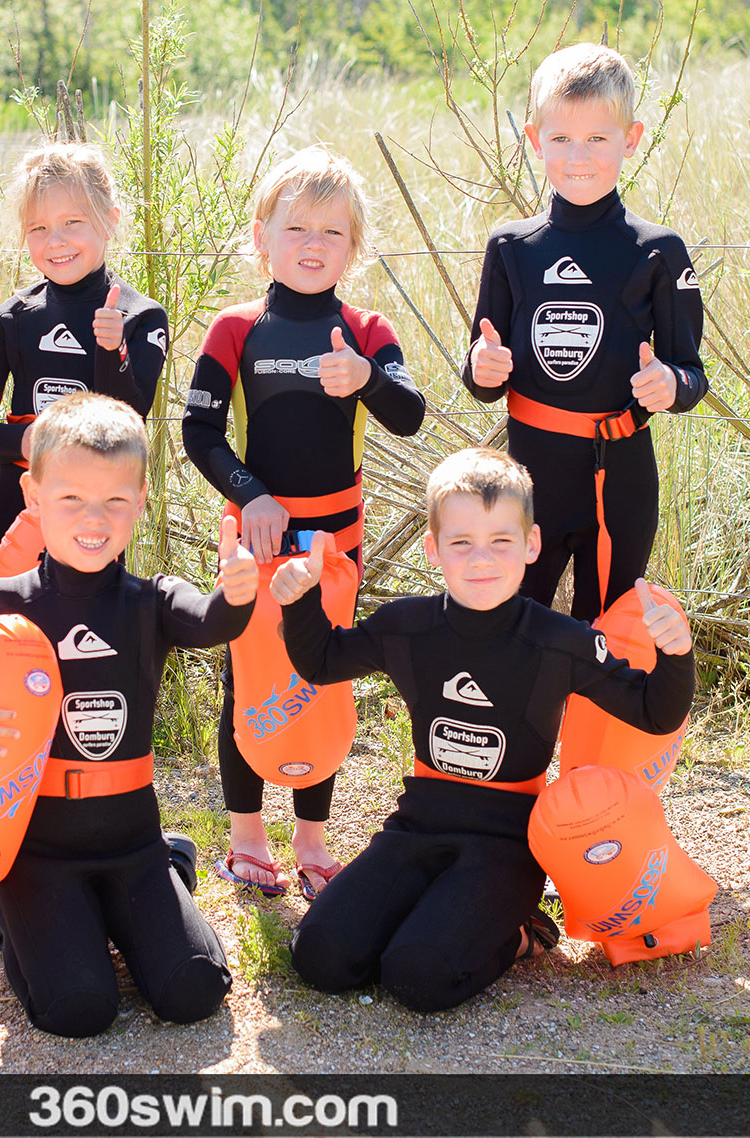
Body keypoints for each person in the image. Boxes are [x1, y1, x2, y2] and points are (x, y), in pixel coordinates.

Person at [0, 392, 257, 1038]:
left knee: (194, 991)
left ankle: (167, 872)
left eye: (114, 501)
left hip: (134, 847)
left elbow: (211, 619)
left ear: (139, 501)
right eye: (72, 498)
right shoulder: (2, 602)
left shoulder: (150, 601)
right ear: (33, 494)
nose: (93, 518)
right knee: (78, 1009)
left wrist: (237, 593)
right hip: (40, 853)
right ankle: (0, 906)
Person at [270, 447, 695, 1011]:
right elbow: (322, 661)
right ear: (433, 548)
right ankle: (425, 916)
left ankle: (523, 934)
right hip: (419, 823)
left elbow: (655, 713)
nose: (481, 560)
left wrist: (676, 654)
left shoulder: (559, 642)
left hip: (507, 842)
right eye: (461, 542)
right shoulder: (408, 626)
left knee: (417, 977)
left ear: (531, 545)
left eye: (500, 541)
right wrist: (299, 603)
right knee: (319, 958)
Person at [182, 145, 425, 900]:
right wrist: (250, 492)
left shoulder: (366, 327)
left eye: (333, 233)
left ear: (354, 248)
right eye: (297, 229)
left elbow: (411, 415)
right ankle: (247, 839)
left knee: (322, 680)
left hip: (334, 544)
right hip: (251, 537)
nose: (314, 245)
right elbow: (199, 433)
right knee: (246, 680)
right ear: (262, 237)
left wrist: (367, 379)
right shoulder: (234, 327)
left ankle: (313, 842)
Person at [462, 43, 707, 621]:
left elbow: (691, 375)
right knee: (516, 631)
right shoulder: (510, 248)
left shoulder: (658, 252)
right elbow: (481, 375)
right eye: (561, 139)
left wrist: (669, 383)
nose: (579, 156)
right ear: (533, 138)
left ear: (632, 137)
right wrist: (481, 368)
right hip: (525, 489)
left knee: (609, 639)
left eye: (598, 138)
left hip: (618, 485)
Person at [0, 142, 168, 581]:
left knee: (89, 635)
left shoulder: (142, 316)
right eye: (39, 228)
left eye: (73, 222)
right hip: (19, 501)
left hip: (96, 510)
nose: (57, 241)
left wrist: (113, 351)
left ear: (110, 221)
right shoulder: (14, 317)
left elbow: (132, 417)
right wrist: (24, 443)